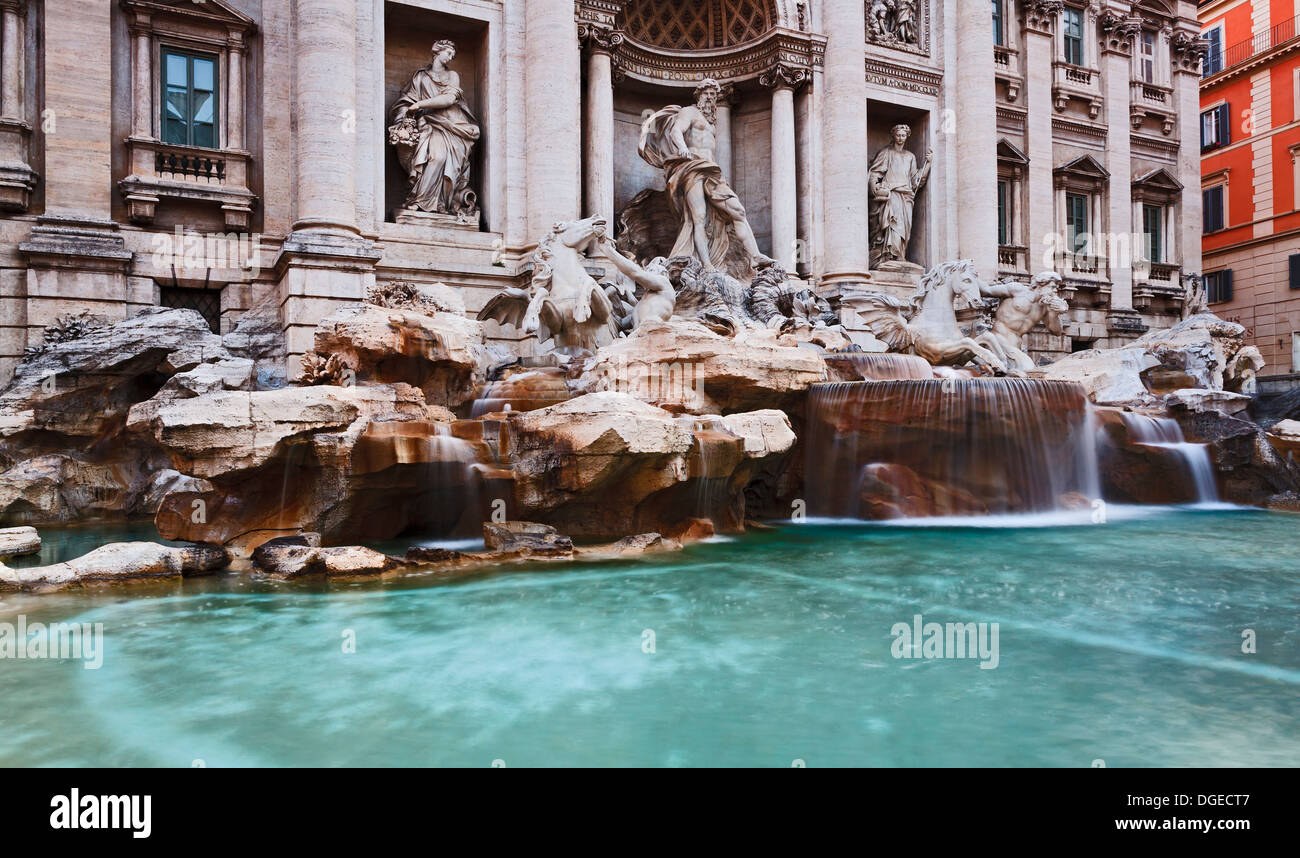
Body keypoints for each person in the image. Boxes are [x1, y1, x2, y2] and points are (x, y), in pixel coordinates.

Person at [638, 79, 774, 275]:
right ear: (699, 95)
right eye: (707, 93)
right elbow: (676, 131)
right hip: (692, 167)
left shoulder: (712, 122)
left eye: (713, 94)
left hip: (712, 171)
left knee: (738, 211)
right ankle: (706, 265)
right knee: (698, 217)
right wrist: (683, 148)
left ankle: (755, 257)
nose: (710, 98)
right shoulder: (689, 112)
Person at [390, 40, 481, 215]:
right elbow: (405, 101)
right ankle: (421, 201)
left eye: (453, 55)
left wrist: (419, 105)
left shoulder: (452, 75)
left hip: (452, 125)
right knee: (435, 157)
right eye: (448, 53)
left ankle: (440, 203)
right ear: (437, 52)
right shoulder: (420, 77)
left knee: (441, 159)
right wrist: (405, 115)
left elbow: (449, 99)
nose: (450, 57)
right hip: (428, 125)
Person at [869, 123, 931, 267]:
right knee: (893, 226)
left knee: (904, 228)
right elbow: (875, 173)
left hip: (906, 196)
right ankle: (890, 256)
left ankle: (900, 254)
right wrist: (875, 188)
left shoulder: (910, 156)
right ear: (893, 135)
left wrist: (928, 164)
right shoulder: (886, 153)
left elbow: (916, 179)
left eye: (903, 135)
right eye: (898, 135)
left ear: (907, 136)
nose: (900, 138)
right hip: (892, 194)